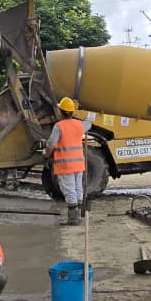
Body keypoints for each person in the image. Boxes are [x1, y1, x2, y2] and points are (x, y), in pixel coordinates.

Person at [44, 96, 91, 226]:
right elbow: (89, 123)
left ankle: (73, 219)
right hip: (79, 163)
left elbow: (51, 143)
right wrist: (86, 115)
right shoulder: (79, 125)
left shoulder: (59, 126)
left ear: (61, 112)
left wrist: (46, 154)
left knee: (69, 189)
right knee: (78, 188)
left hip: (65, 164)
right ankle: (79, 215)